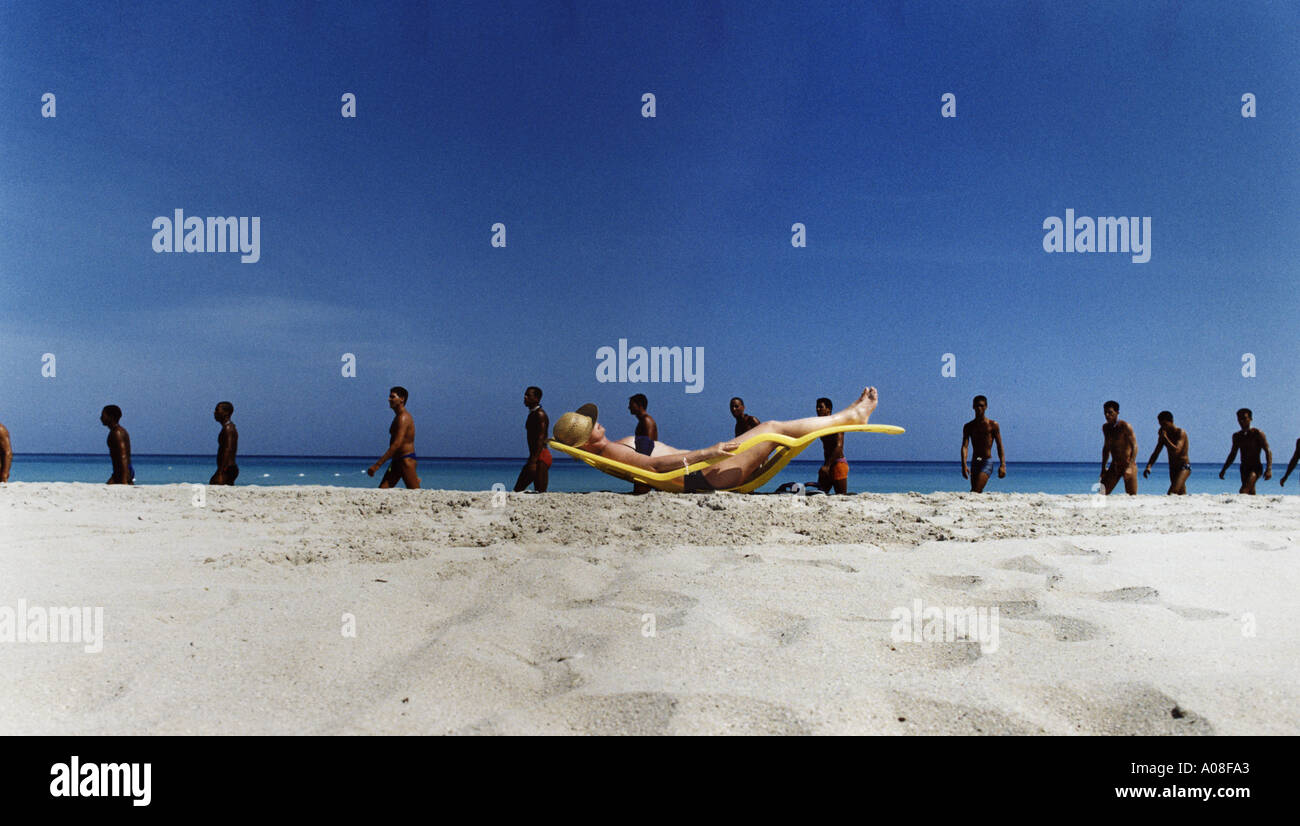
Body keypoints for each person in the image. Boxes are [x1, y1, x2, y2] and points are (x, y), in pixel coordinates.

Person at [552, 387, 880, 492]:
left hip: (707, 471)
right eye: (591, 426)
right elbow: (654, 466)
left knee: (772, 429)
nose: (598, 423)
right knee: (771, 428)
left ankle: (845, 417)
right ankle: (847, 418)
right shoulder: (613, 452)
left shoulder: (611, 446)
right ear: (585, 443)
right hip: (706, 475)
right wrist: (709, 451)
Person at [367, 386, 420, 489]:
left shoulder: (403, 418)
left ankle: (414, 478)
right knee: (382, 490)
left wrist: (377, 465)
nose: (389, 399)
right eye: (389, 396)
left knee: (416, 493)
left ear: (402, 399)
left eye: (392, 397)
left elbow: (396, 444)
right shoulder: (398, 417)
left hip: (405, 461)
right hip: (396, 462)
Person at [1219, 408, 1271, 495]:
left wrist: (1268, 469)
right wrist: (1224, 469)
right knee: (1250, 491)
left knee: (1243, 490)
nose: (1241, 421)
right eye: (1239, 419)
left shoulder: (1257, 433)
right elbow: (1233, 454)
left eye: (1244, 418)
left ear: (1250, 419)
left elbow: (1268, 451)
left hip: (1256, 468)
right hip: (1244, 468)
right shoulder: (1237, 436)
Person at [960, 395, 1005, 493]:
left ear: (986, 407)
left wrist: (1002, 465)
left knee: (975, 491)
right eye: (976, 406)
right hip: (975, 461)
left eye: (981, 406)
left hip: (986, 462)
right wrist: (964, 465)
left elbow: (999, 445)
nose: (979, 408)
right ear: (973, 407)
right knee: (976, 491)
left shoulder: (993, 425)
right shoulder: (968, 426)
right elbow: (965, 446)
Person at [1141, 411, 1189, 495]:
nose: (1163, 427)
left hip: (1184, 467)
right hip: (1173, 468)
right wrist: (1149, 466)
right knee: (1181, 495)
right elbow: (1156, 452)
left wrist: (1165, 438)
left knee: (1172, 493)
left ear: (1172, 422)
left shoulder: (1180, 433)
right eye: (1161, 425)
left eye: (1164, 424)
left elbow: (1177, 450)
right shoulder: (1164, 434)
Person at [513, 386, 550, 492]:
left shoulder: (540, 414)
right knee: (520, 489)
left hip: (540, 457)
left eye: (528, 395)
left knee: (539, 492)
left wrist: (533, 462)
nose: (525, 397)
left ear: (537, 399)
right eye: (525, 395)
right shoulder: (532, 414)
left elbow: (541, 438)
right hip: (535, 457)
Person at [1100, 400, 1138, 495]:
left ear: (1117, 413)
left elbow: (1135, 446)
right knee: (1102, 493)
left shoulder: (1125, 426)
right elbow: (1106, 448)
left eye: (1110, 412)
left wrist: (1130, 466)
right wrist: (1103, 468)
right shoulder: (1105, 428)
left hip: (1128, 464)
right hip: (1115, 466)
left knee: (1132, 497)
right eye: (1105, 413)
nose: (1107, 415)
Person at [814, 397, 848, 494]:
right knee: (819, 495)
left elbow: (838, 446)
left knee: (841, 497)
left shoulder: (837, 424)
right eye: (817, 407)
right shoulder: (820, 426)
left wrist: (827, 466)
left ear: (828, 409)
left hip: (838, 464)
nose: (817, 409)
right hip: (827, 464)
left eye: (821, 407)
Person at [628, 393, 658, 494]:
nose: (629, 407)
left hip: (646, 463)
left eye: (631, 405)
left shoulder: (646, 420)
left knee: (640, 492)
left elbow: (649, 444)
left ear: (639, 406)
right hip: (642, 461)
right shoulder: (642, 421)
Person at [100, 405, 133, 485]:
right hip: (120, 472)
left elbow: (123, 457)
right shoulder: (117, 431)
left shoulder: (117, 433)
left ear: (111, 417)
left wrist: (124, 481)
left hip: (122, 473)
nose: (101, 418)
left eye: (103, 415)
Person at [209, 401, 239, 485]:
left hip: (227, 468)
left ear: (226, 413)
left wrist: (221, 471)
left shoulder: (229, 429)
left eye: (217, 410)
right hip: (225, 467)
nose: (214, 412)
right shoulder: (227, 428)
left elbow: (228, 449)